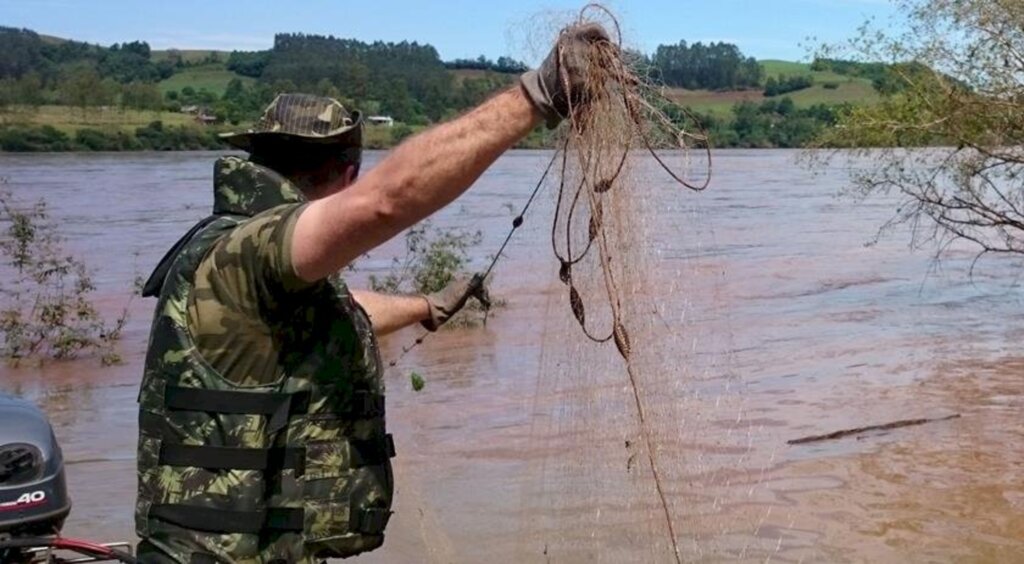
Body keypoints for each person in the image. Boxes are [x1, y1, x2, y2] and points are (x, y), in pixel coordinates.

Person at [134, 23, 609, 563]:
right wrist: (536, 95)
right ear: (347, 172)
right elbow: (387, 201)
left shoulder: (237, 254)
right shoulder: (252, 245)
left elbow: (341, 308)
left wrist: (424, 307)